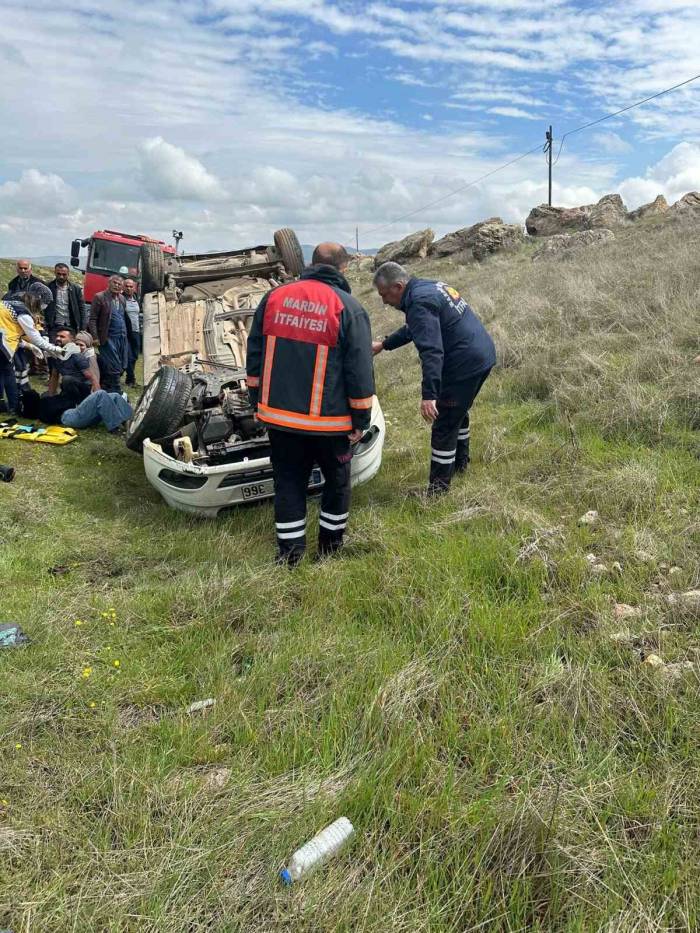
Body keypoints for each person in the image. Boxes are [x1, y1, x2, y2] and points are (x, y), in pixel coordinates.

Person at [246, 242, 375, 565]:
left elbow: (255, 355)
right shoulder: (349, 307)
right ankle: (329, 550)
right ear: (343, 269)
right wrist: (360, 420)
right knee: (336, 483)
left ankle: (289, 555)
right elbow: (359, 369)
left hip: (280, 419)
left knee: (288, 482)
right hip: (330, 424)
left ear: (310, 263)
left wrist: (256, 402)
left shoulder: (274, 298)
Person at [372, 262, 496, 496]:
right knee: (458, 412)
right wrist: (384, 344)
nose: (384, 301)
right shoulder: (425, 287)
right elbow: (417, 328)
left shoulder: (418, 302)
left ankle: (438, 492)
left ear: (398, 287)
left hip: (464, 364)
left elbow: (432, 351)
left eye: (384, 295)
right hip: (481, 356)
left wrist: (430, 395)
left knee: (444, 423)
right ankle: (460, 465)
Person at [0, 283, 66, 414]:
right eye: (45, 303)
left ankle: (4, 404)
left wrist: (30, 346)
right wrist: (54, 349)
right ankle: (14, 406)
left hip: (3, 341)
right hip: (2, 344)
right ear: (39, 299)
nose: (44, 307)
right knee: (8, 374)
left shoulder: (12, 303)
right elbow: (35, 337)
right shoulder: (23, 312)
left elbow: (13, 333)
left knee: (2, 373)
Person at [88, 275, 133, 393]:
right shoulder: (100, 297)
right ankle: (116, 389)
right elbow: (92, 319)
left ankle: (106, 386)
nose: (117, 285)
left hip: (121, 338)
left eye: (119, 284)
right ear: (109, 283)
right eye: (115, 283)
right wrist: (95, 337)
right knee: (114, 365)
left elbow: (123, 318)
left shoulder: (122, 299)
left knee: (122, 365)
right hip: (108, 338)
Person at [47, 327, 100, 402]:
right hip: (68, 388)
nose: (58, 338)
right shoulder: (57, 355)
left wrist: (97, 397)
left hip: (83, 390)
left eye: (62, 337)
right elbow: (54, 376)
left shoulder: (77, 355)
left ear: (71, 340)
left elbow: (92, 377)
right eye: (57, 336)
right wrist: (50, 397)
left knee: (67, 379)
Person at [61, 389, 133, 434]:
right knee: (101, 394)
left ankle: (131, 423)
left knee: (115, 395)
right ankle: (114, 427)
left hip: (75, 412)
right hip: (69, 416)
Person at [45, 263, 88, 336]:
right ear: (55, 273)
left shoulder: (75, 289)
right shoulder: (48, 287)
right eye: (59, 274)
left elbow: (82, 308)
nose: (61, 277)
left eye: (64, 274)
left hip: (71, 326)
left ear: (68, 274)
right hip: (54, 326)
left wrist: (83, 327)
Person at [122, 278, 141, 386]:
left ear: (134, 288)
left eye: (131, 286)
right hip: (125, 331)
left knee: (135, 355)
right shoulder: (120, 299)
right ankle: (131, 378)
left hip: (136, 331)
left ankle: (129, 379)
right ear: (123, 287)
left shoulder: (136, 298)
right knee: (128, 355)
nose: (129, 288)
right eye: (127, 286)